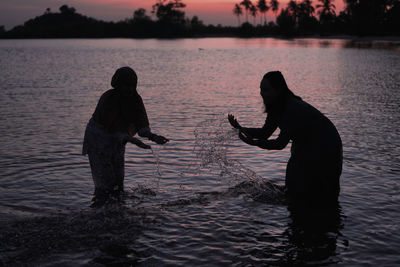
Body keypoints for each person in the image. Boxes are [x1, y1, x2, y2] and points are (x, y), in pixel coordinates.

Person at [228, 71, 342, 206]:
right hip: (305, 145)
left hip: (327, 146)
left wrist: (254, 143)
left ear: (279, 90)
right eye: (260, 90)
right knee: (298, 185)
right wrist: (241, 128)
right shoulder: (276, 107)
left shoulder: (291, 108)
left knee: (320, 189)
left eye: (265, 90)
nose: (261, 93)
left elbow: (280, 143)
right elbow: (265, 133)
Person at [82, 66, 169, 205]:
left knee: (118, 182)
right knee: (106, 184)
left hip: (119, 141)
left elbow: (142, 126)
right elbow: (111, 128)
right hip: (98, 139)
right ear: (118, 84)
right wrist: (132, 140)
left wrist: (153, 137)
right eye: (126, 85)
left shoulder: (136, 99)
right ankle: (100, 209)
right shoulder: (108, 98)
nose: (129, 89)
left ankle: (117, 212)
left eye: (132, 85)